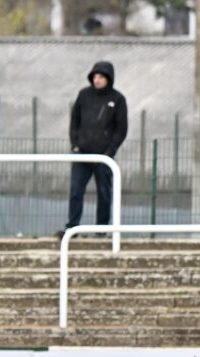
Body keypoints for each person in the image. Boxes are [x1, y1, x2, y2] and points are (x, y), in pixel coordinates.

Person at [66, 60, 127, 231]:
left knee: (104, 193)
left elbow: (121, 129)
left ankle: (101, 229)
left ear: (108, 78)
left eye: (101, 76)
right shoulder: (84, 95)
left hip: (103, 157)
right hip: (82, 154)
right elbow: (74, 121)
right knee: (76, 191)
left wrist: (109, 151)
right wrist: (75, 145)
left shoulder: (118, 99)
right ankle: (72, 227)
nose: (97, 80)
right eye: (95, 76)